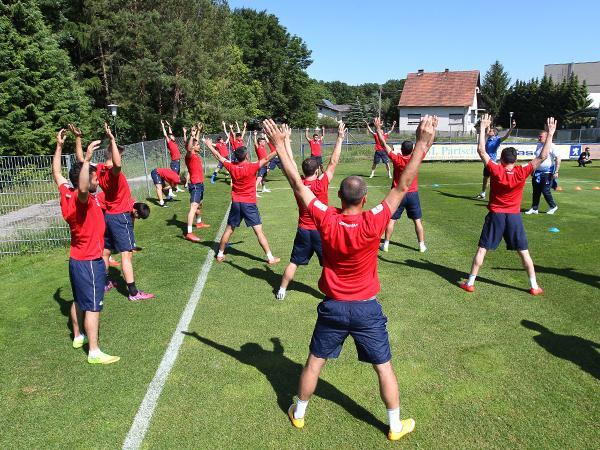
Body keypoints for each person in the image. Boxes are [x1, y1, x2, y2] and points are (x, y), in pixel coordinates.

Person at [263, 115, 438, 441]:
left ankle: (298, 414)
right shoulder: (374, 219)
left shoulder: (325, 216)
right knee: (383, 368)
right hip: (366, 309)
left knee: (314, 364)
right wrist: (422, 144)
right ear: (364, 198)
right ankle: (394, 427)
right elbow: (402, 186)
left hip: (333, 307)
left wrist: (280, 146)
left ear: (339, 198)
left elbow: (298, 184)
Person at [460, 114, 557, 296]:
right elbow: (543, 156)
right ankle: (534, 286)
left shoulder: (496, 170)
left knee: (482, 249)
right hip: (514, 217)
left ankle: (470, 283)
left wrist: (483, 129)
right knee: (524, 252)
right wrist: (550, 133)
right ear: (515, 159)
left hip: (496, 216)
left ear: (502, 159)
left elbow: (481, 150)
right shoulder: (522, 171)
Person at [52, 128, 119, 364]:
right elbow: (82, 188)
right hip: (89, 261)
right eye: (94, 178)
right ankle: (94, 351)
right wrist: (87, 159)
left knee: (79, 300)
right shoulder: (82, 200)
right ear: (84, 179)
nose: (97, 180)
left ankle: (78, 335)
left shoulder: (66, 193)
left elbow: (57, 173)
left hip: (76, 260)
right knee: (92, 306)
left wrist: (59, 146)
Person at [277, 122, 346, 300]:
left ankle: (282, 290)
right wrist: (339, 138)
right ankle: (335, 293)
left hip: (303, 230)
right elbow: (333, 162)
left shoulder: (298, 185)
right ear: (316, 171)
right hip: (321, 231)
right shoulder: (321, 183)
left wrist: (285, 141)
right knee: (329, 265)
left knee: (294, 262)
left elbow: (290, 163)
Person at [90, 123, 155, 301]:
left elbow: (84, 161)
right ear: (114, 155)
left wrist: (85, 149)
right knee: (126, 255)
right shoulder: (113, 173)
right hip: (120, 217)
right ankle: (133, 293)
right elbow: (117, 164)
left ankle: (104, 283)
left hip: (109, 216)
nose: (122, 159)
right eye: (121, 155)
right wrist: (111, 139)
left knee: (106, 251)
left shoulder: (100, 170)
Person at [203, 137, 280, 265]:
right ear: (246, 156)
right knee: (258, 231)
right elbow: (267, 158)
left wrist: (209, 145)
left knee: (229, 229)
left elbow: (218, 156)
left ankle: (220, 254)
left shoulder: (231, 166)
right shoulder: (252, 166)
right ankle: (270, 258)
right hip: (249, 204)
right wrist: (279, 148)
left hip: (236, 203)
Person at [380, 139, 430, 253]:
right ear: (412, 150)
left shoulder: (397, 159)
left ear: (401, 150)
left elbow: (384, 145)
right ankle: (422, 246)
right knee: (417, 220)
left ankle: (386, 245)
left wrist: (378, 132)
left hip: (398, 194)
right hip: (412, 194)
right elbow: (427, 145)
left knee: (392, 219)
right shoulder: (415, 159)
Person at [475, 119, 516, 199]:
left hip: (493, 162)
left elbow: (506, 136)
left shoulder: (497, 139)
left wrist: (511, 127)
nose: (489, 131)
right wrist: (488, 123)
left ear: (494, 133)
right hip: (486, 162)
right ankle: (483, 193)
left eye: (491, 131)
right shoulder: (488, 138)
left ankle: (498, 194)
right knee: (485, 178)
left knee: (494, 180)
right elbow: (486, 130)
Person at [524, 127, 560, 215]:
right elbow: (537, 158)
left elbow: (558, 158)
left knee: (545, 190)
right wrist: (533, 169)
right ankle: (534, 208)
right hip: (537, 172)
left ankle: (553, 206)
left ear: (547, 137)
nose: (539, 138)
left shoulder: (552, 146)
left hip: (547, 172)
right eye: (539, 136)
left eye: (541, 136)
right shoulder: (538, 145)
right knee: (536, 191)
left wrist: (556, 171)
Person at [184, 124, 210, 242]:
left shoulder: (195, 153)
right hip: (195, 185)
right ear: (193, 147)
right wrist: (191, 135)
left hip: (200, 184)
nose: (199, 145)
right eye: (198, 145)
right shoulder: (189, 155)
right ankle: (189, 233)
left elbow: (195, 143)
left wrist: (198, 131)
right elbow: (190, 147)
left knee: (199, 205)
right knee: (193, 207)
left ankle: (199, 223)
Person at [160, 120, 185, 194]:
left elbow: (170, 133)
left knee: (177, 176)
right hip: (174, 162)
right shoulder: (170, 142)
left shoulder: (174, 142)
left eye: (173, 136)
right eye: (172, 136)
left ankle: (176, 188)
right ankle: (170, 191)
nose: (173, 137)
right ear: (170, 138)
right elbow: (165, 134)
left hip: (178, 161)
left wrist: (168, 125)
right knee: (172, 177)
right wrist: (163, 125)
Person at [253, 131, 272, 196]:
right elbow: (255, 143)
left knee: (264, 178)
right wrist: (255, 135)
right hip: (261, 165)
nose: (264, 143)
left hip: (265, 165)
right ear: (260, 142)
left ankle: (263, 188)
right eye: (263, 142)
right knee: (259, 178)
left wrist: (263, 136)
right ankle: (254, 191)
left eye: (264, 142)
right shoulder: (258, 147)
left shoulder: (263, 147)